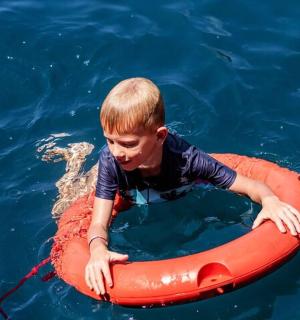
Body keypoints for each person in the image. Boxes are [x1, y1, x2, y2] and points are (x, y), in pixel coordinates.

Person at [85, 77, 300, 296]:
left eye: (128, 144)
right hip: (133, 192)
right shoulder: (111, 161)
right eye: (109, 140)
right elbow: (98, 223)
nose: (116, 151)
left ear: (160, 136)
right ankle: (75, 156)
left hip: (173, 192)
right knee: (76, 192)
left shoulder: (189, 160)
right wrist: (97, 249)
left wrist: (270, 200)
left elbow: (250, 186)